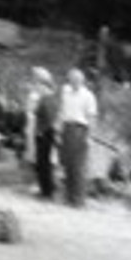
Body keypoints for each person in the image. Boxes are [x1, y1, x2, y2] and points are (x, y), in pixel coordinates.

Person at [57, 68, 98, 207]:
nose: (74, 82)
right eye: (71, 80)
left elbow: (91, 117)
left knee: (78, 166)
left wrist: (89, 137)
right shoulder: (65, 91)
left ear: (82, 81)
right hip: (67, 128)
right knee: (67, 164)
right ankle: (68, 196)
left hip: (80, 129)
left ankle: (78, 199)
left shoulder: (88, 96)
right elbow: (61, 111)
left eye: (77, 80)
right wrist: (59, 130)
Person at [30, 67, 59, 199]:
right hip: (45, 131)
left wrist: (41, 131)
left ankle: (46, 191)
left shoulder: (47, 99)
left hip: (44, 132)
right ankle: (45, 189)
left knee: (43, 162)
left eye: (40, 85)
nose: (38, 87)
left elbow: (44, 115)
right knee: (43, 162)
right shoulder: (50, 98)